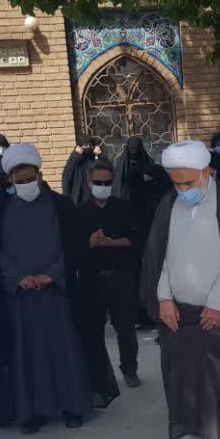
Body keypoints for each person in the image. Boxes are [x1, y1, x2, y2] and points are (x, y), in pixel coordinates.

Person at [140, 140, 220, 439]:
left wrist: (218, 303)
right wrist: (164, 298)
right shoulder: (169, 203)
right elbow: (161, 256)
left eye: (188, 182)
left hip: (219, 312)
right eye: (176, 183)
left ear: (206, 171)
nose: (182, 190)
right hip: (178, 314)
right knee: (183, 377)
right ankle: (190, 436)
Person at [0, 143, 94, 433]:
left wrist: (53, 274)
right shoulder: (0, 211)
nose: (25, 184)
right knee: (26, 355)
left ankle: (71, 406)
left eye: (30, 178)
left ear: (40, 175)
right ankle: (31, 412)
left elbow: (74, 248)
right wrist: (17, 277)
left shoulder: (61, 205)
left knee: (64, 350)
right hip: (20, 299)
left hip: (57, 295)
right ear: (10, 180)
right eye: (19, 181)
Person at [73, 160, 143, 391]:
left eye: (107, 183)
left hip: (121, 277)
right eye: (98, 182)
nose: (103, 186)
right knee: (93, 330)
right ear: (88, 182)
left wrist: (110, 243)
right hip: (91, 280)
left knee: (126, 328)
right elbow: (72, 249)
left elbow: (136, 240)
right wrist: (90, 244)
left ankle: (129, 369)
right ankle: (98, 375)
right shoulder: (79, 212)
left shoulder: (124, 208)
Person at [62, 136, 103, 206]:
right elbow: (67, 175)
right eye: (85, 145)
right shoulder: (75, 159)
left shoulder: (95, 159)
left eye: (91, 145)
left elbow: (105, 171)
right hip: (78, 199)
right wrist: (76, 156)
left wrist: (100, 155)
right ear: (79, 147)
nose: (88, 147)